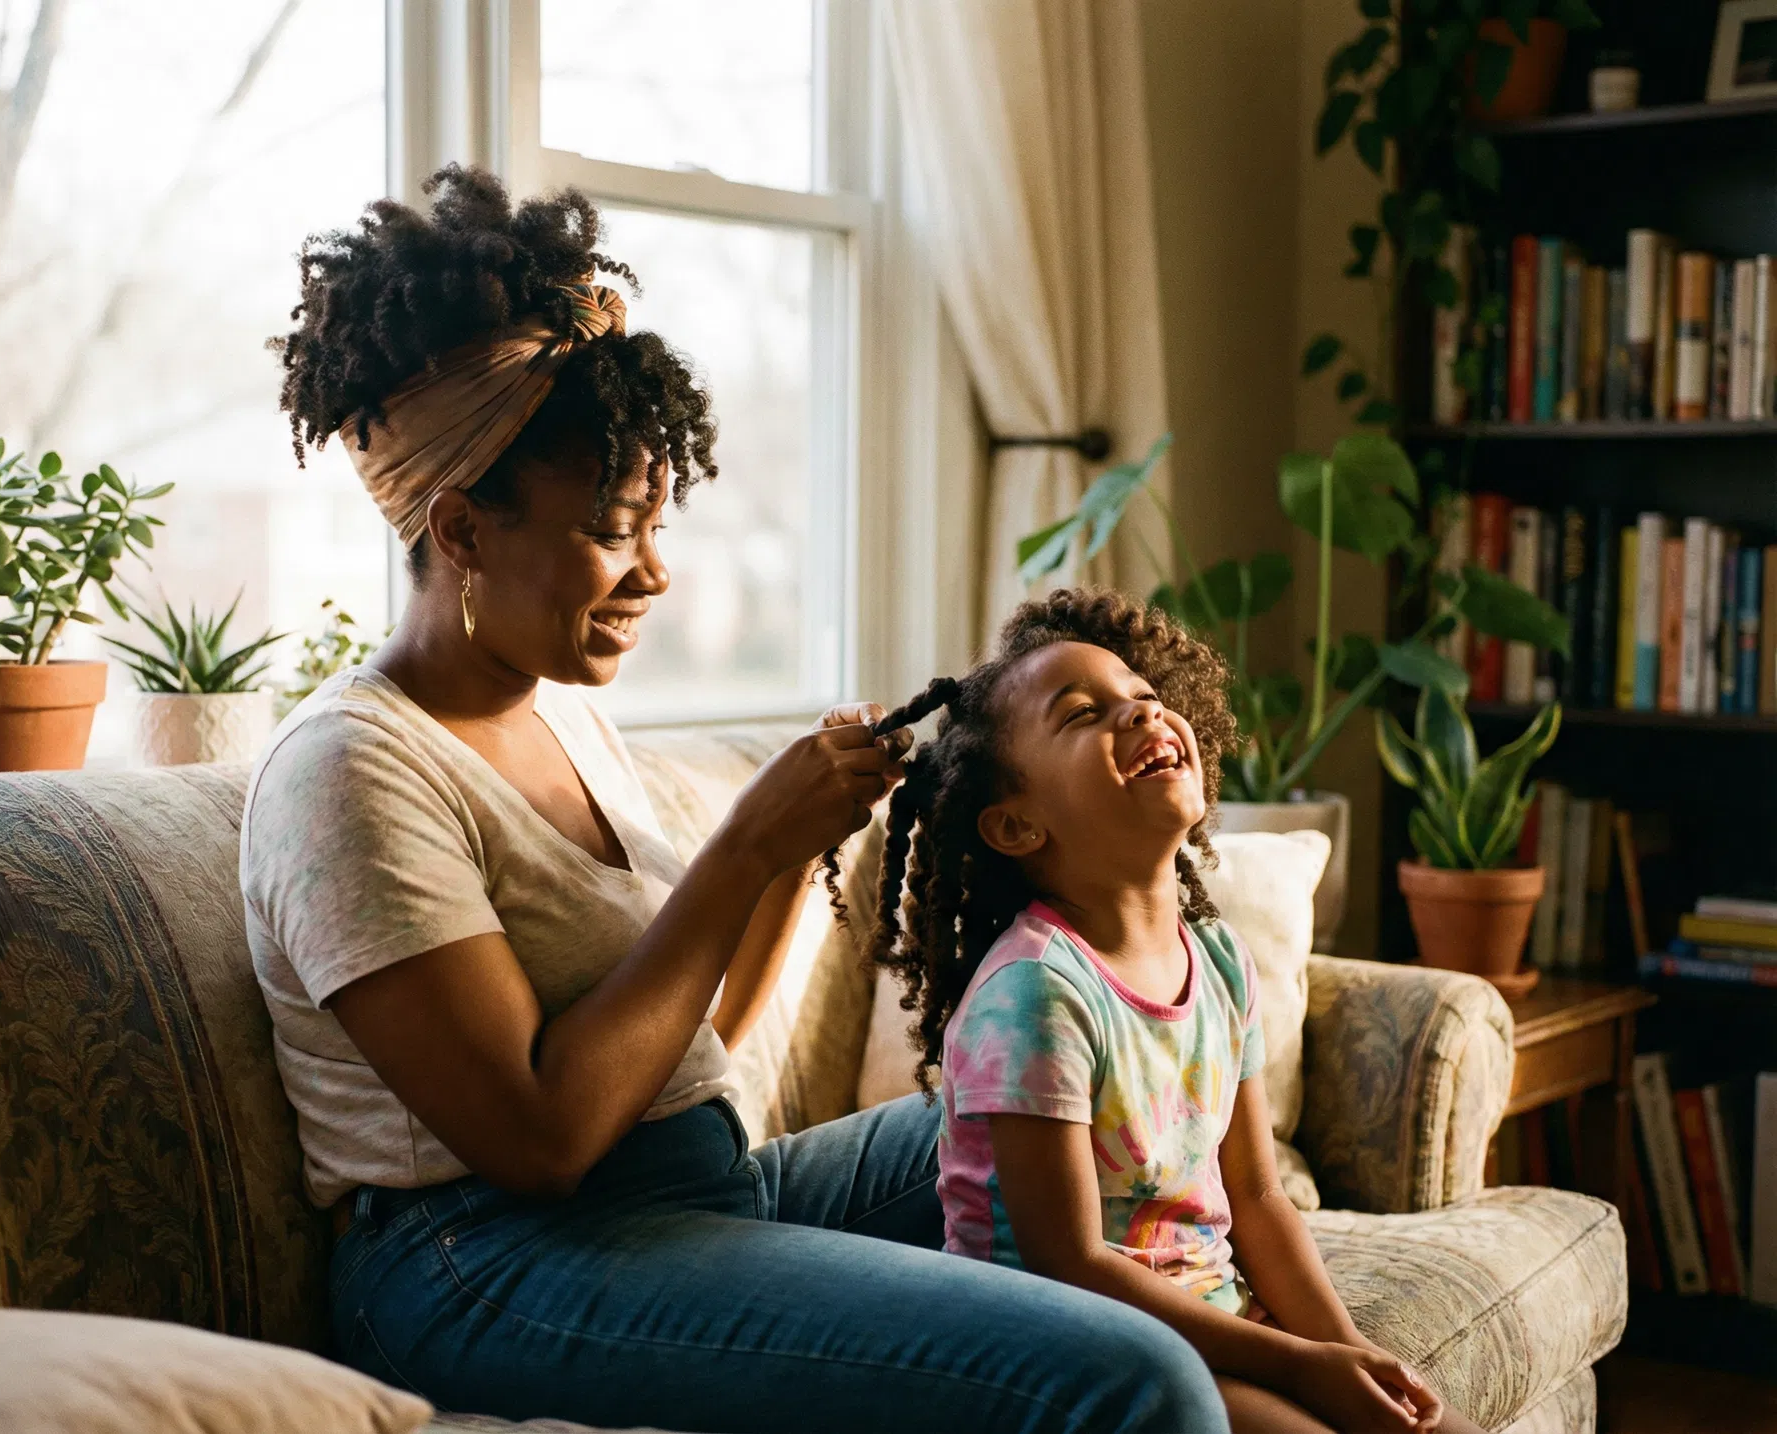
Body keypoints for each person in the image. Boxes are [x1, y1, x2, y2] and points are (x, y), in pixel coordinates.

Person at [241, 165, 1228, 1434]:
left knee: (1064, 1117)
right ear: (465, 531)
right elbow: (539, 1136)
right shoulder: (349, 771)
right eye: (614, 528)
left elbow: (693, 1037)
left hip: (694, 1191)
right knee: (1125, 1378)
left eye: (660, 521)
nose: (655, 572)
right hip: (486, 1267)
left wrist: (796, 852)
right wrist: (745, 840)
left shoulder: (563, 710)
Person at [853, 588, 1487, 1434]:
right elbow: (1070, 1264)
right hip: (1066, 1354)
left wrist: (1350, 1359)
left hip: (1204, 1322)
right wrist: (1298, 1363)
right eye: (1083, 715)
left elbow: (1257, 1196)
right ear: (1014, 826)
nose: (1140, 715)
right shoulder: (1035, 995)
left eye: (1145, 698)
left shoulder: (1218, 959)